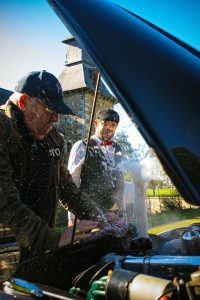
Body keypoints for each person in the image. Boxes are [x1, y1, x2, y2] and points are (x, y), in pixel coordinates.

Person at [0, 70, 105, 261]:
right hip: (6, 252)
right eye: (49, 111)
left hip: (39, 248)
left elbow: (66, 188)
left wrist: (101, 219)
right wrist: (53, 239)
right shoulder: (2, 130)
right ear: (23, 102)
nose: (55, 119)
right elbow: (4, 199)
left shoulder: (52, 139)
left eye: (58, 113)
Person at [67, 108, 125, 225]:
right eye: (105, 124)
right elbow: (72, 184)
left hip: (114, 215)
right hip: (88, 216)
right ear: (96, 123)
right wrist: (73, 219)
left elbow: (120, 183)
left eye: (113, 125)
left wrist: (118, 211)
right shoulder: (81, 146)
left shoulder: (118, 148)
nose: (109, 128)